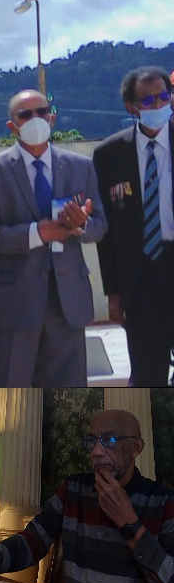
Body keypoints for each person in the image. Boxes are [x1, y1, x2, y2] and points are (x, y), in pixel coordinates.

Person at [0, 409, 174, 583]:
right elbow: (32, 541)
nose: (97, 451)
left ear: (136, 448)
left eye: (109, 440)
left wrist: (129, 523)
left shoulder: (163, 502)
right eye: (91, 441)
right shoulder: (74, 488)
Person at [0, 89, 106, 388]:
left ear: (52, 118)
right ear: (12, 126)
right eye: (25, 114)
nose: (36, 119)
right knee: (8, 402)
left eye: (41, 112)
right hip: (13, 306)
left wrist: (81, 226)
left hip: (67, 303)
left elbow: (100, 226)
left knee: (67, 407)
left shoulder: (80, 167)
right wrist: (37, 233)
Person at [94, 66, 174, 387]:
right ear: (131, 107)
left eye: (164, 96)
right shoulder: (109, 155)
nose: (157, 105)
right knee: (147, 376)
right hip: (141, 279)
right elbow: (106, 234)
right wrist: (113, 293)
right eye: (148, 99)